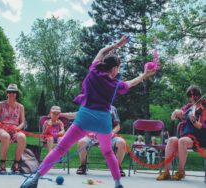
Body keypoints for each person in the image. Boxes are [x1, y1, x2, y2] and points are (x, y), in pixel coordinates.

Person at [20, 35, 156, 188]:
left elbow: (101, 51)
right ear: (115, 68)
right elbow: (132, 83)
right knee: (108, 152)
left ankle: (35, 178)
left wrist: (117, 44)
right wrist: (144, 74)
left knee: (61, 148)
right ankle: (118, 184)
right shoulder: (115, 84)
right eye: (118, 67)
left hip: (84, 118)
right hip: (103, 121)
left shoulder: (93, 70)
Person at [156, 85, 206, 181]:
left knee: (182, 141)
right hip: (186, 135)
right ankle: (166, 171)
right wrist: (176, 112)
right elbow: (174, 116)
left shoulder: (204, 107)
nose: (192, 98)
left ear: (199, 94)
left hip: (200, 137)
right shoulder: (189, 106)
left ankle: (181, 171)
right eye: (190, 95)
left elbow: (202, 126)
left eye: (195, 95)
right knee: (171, 140)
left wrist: (195, 122)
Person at [76, 105, 127, 177]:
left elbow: (117, 126)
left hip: (109, 136)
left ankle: (117, 167)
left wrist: (112, 133)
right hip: (92, 136)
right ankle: (83, 165)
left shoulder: (112, 108)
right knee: (81, 142)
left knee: (121, 143)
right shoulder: (89, 106)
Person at [0, 83, 26, 174]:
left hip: (15, 128)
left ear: (16, 94)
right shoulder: (1, 104)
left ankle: (16, 164)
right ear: (7, 93)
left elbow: (22, 122)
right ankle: (2, 164)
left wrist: (17, 129)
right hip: (1, 128)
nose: (11, 93)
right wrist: (3, 127)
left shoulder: (20, 107)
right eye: (10, 92)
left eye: (14, 92)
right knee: (6, 136)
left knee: (22, 137)